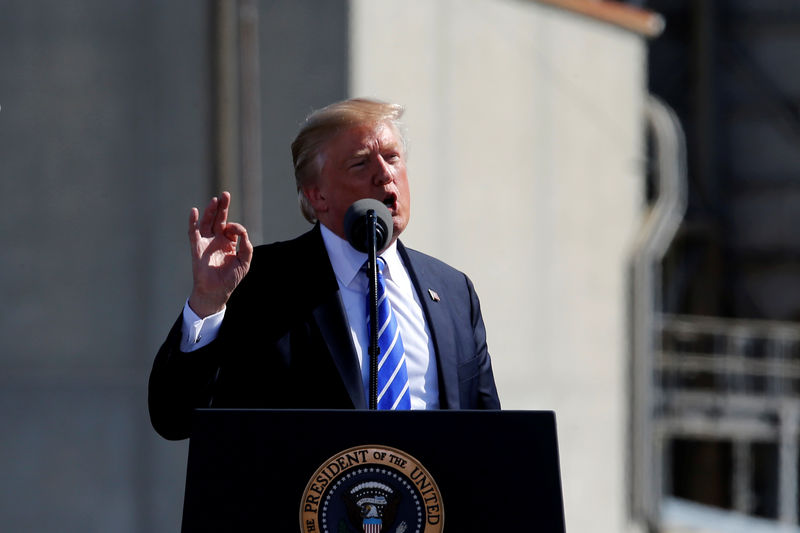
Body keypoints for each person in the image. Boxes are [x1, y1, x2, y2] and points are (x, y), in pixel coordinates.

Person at [148, 98, 500, 440]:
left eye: (392, 157)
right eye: (361, 164)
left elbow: (491, 438)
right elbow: (174, 418)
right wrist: (207, 304)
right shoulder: (259, 281)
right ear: (317, 196)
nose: (384, 174)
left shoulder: (454, 291)